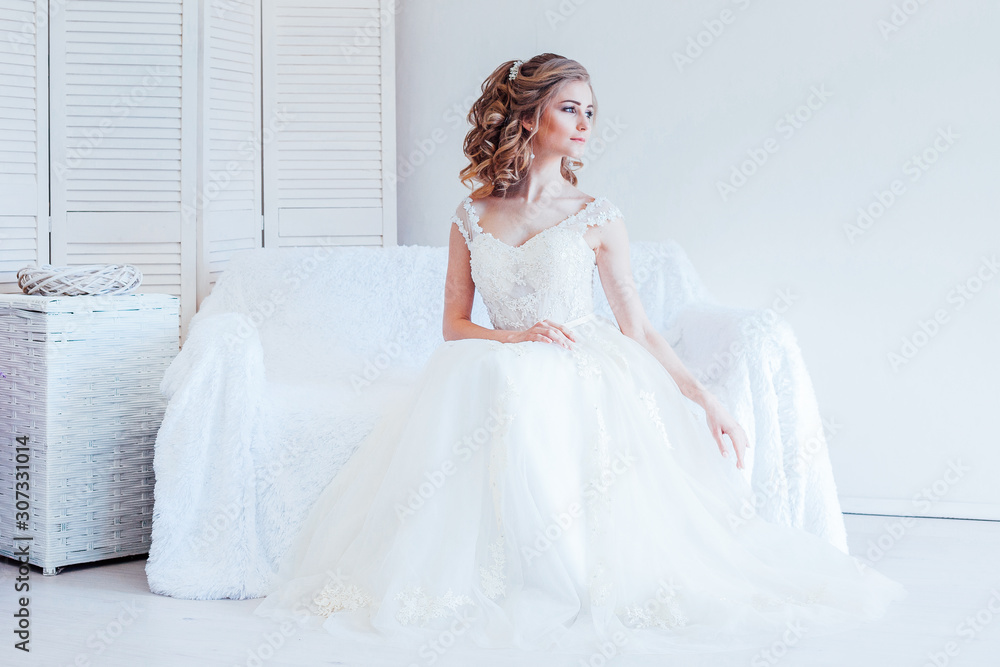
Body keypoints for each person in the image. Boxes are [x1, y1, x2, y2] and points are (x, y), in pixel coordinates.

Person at [253, 53, 906, 657]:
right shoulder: (471, 215)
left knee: (530, 393)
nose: (585, 122)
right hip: (502, 359)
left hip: (583, 369)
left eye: (591, 111)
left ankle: (571, 570)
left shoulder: (597, 214)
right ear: (530, 115)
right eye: (571, 107)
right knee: (490, 383)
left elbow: (640, 329)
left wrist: (706, 399)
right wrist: (517, 337)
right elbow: (454, 326)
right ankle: (502, 574)